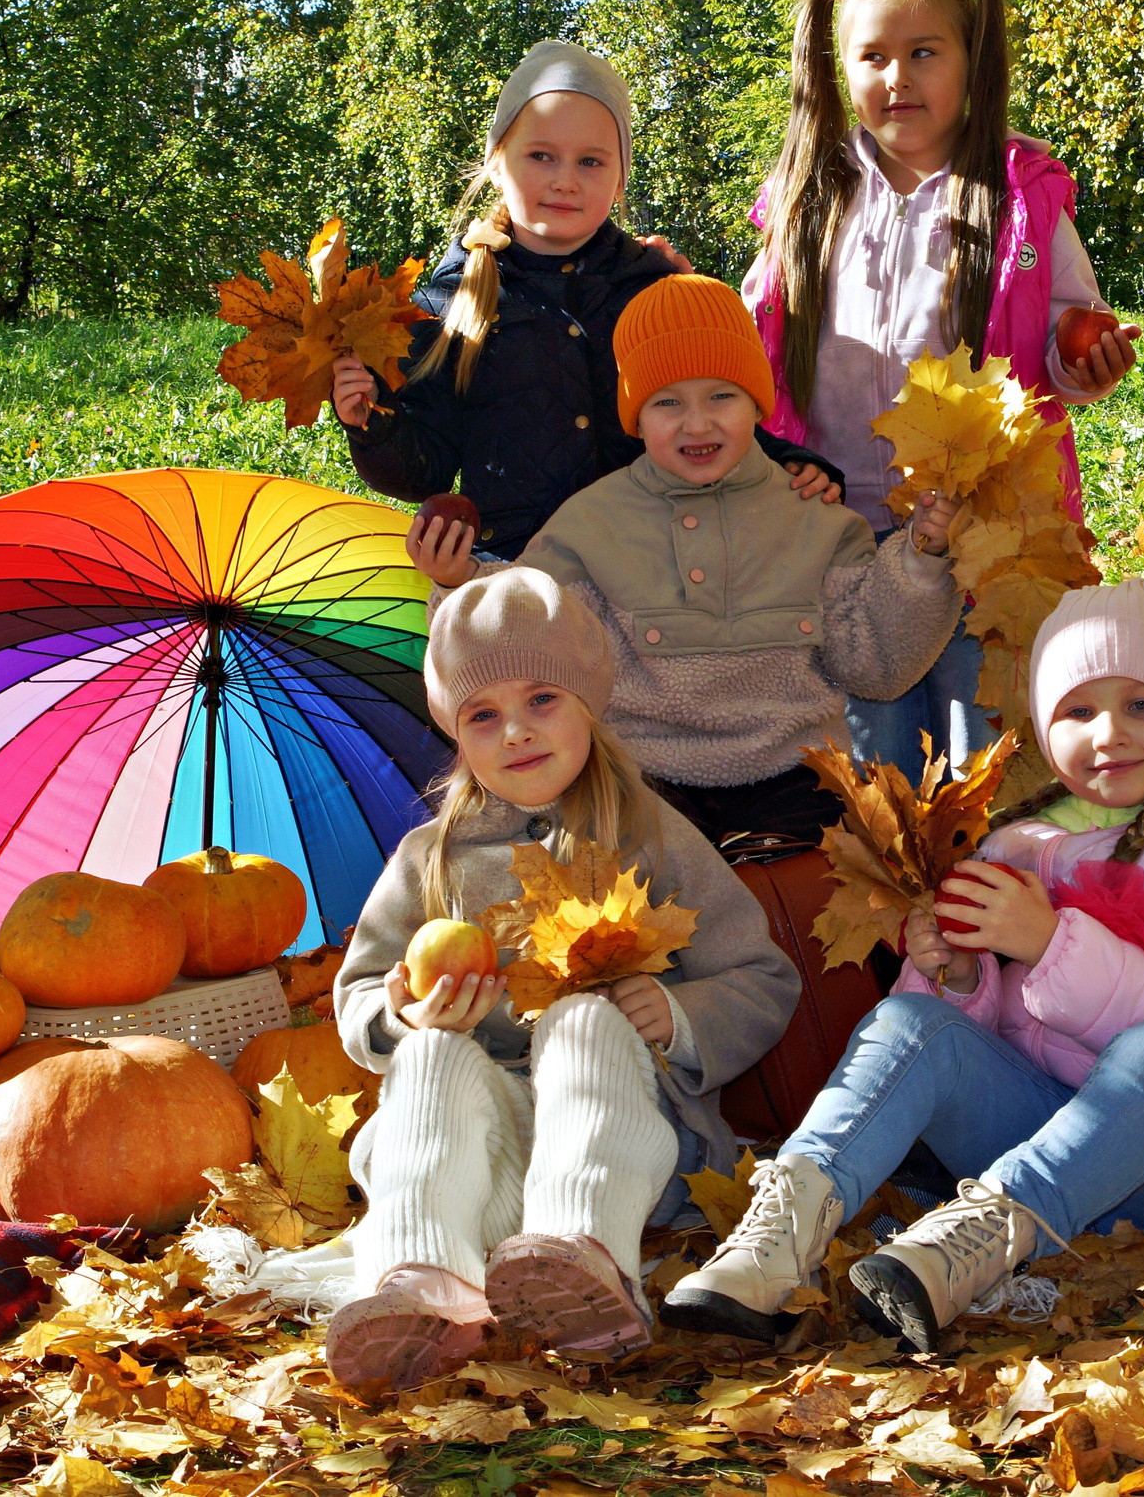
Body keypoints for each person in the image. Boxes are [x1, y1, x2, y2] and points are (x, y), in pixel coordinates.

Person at [662, 578, 1144, 1351]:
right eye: (1078, 710)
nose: (1109, 734)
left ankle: (977, 1237)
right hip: (1042, 1126)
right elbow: (969, 1034)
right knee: (909, 1020)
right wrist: (960, 977)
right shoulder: (1016, 841)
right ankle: (782, 1232)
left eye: (1141, 704)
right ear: (1043, 724)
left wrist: (1049, 943)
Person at [325, 568, 798, 1393]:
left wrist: (677, 1015)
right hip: (481, 1164)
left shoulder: (647, 830)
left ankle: (589, 1263)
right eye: (483, 715)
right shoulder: (427, 860)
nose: (516, 731)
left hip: (622, 1150)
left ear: (589, 700)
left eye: (542, 698)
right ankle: (423, 1285)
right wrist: (402, 1013)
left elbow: (760, 975)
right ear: (457, 734)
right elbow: (359, 991)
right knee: (433, 1058)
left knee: (585, 1019)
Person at [741, 0, 1143, 772]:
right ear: (841, 68)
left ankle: (986, 886)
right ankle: (893, 891)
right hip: (845, 540)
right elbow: (753, 344)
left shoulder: (1017, 196)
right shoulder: (809, 196)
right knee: (874, 761)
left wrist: (1083, 363)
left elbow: (1064, 323)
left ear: (970, 62)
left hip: (979, 532)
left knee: (980, 753)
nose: (899, 77)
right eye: (874, 56)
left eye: (925, 52)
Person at [410, 274, 963, 846]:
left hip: (798, 775)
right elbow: (530, 627)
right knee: (632, 891)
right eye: (667, 402)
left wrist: (922, 561)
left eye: (721, 396)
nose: (697, 424)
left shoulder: (816, 519)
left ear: (757, 403)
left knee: (824, 896)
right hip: (642, 778)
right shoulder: (591, 522)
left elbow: (875, 664)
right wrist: (461, 582)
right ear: (635, 416)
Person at [333, 39, 843, 561]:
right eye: (541, 156)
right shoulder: (447, 301)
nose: (564, 180)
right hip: (512, 572)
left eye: (591, 162)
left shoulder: (654, 289)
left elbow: (713, 416)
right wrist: (372, 422)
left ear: (621, 177)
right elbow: (427, 467)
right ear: (496, 161)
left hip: (650, 567)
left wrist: (788, 462)